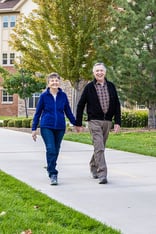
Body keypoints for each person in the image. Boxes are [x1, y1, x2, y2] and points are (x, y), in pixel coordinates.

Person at [75, 62, 121, 184]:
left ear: (105, 72)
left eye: (101, 70)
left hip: (107, 121)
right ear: (94, 73)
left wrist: (117, 122)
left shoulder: (111, 86)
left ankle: (93, 164)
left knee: (100, 147)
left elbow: (117, 104)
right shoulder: (89, 87)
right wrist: (78, 123)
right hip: (94, 121)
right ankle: (102, 174)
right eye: (97, 71)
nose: (99, 73)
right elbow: (80, 105)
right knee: (99, 146)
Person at [32, 72, 76, 185]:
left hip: (60, 127)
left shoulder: (63, 96)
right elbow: (37, 113)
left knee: (56, 150)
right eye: (52, 81)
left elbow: (68, 112)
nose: (54, 82)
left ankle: (50, 166)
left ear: (59, 82)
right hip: (46, 126)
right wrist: (34, 129)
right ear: (48, 83)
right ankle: (53, 173)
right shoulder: (43, 96)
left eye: (56, 80)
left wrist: (76, 123)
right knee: (51, 148)